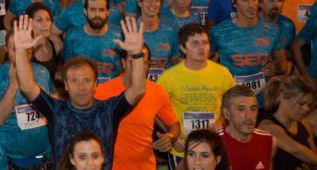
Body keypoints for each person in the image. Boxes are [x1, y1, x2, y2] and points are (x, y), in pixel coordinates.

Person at [14, 14, 146, 169]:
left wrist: (137, 54)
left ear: (95, 84)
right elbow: (27, 87)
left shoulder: (109, 110)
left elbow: (137, 90)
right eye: (74, 81)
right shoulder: (56, 110)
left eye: (86, 80)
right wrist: (21, 51)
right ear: (66, 85)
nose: (81, 87)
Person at [156, 24, 236, 168]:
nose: (201, 47)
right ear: (183, 48)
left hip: (213, 146)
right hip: (182, 147)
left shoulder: (223, 73)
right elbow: (154, 110)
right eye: (195, 43)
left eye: (205, 43)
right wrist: (172, 134)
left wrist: (222, 120)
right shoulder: (168, 77)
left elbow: (235, 103)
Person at [95, 45, 180, 170]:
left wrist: (170, 137)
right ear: (124, 63)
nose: (137, 67)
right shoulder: (101, 93)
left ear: (148, 65)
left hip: (146, 166)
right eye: (132, 61)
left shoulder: (157, 92)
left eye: (142, 62)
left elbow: (174, 125)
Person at [0, 29, 54, 169]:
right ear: (6, 49)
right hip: (8, 157)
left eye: (25, 48)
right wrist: (13, 85)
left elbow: (54, 105)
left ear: (32, 49)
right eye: (15, 49)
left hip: (43, 154)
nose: (20, 54)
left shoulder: (42, 72)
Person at [210, 0, 287, 99]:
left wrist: (275, 68)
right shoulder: (218, 32)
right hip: (232, 100)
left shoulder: (272, 29)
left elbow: (282, 65)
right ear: (234, 3)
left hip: (264, 100)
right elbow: (204, 63)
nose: (251, 5)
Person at [61, 0, 123, 83]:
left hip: (114, 89)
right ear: (85, 11)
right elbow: (67, 70)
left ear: (108, 12)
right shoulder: (72, 37)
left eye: (101, 10)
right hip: (82, 89)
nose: (97, 15)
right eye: (93, 9)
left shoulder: (120, 35)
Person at [258, 75, 317, 169]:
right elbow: (295, 150)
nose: (306, 109)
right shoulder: (267, 126)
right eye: (301, 103)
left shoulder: (304, 123)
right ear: (282, 97)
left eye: (309, 105)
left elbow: (313, 154)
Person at [217, 85, 275, 170]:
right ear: (227, 113)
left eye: (253, 109)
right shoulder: (214, 142)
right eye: (241, 109)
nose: (249, 116)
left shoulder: (268, 140)